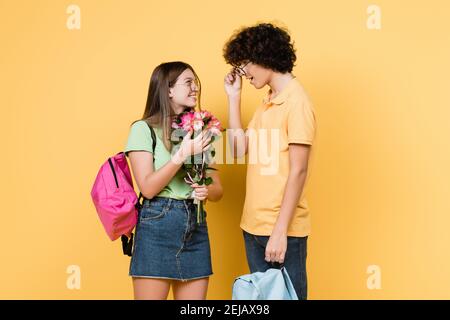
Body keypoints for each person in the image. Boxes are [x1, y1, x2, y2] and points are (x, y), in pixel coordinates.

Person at [223, 23, 316, 300]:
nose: (244, 73)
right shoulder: (268, 102)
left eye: (244, 65)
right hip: (253, 226)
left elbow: (299, 171)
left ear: (263, 56)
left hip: (281, 230)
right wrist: (234, 98)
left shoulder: (297, 102)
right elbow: (237, 150)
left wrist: (279, 232)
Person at [124, 61, 223, 300]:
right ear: (168, 89)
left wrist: (206, 191)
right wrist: (182, 154)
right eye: (188, 82)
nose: (195, 88)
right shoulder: (142, 129)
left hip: (196, 227)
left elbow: (218, 189)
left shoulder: (203, 131)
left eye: (196, 83)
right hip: (157, 225)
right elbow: (147, 188)